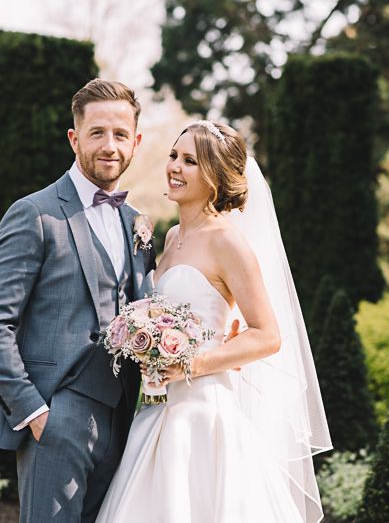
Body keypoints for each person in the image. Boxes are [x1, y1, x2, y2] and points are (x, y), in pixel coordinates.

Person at [97, 120, 331, 523]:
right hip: (155, 413)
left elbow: (268, 335)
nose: (174, 166)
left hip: (204, 418)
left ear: (215, 178)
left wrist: (193, 363)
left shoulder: (227, 241)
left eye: (190, 161)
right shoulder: (170, 238)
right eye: (174, 155)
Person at [0, 79, 157, 522]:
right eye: (97, 133)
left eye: (120, 135)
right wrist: (32, 410)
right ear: (75, 138)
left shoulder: (138, 225)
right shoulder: (34, 213)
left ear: (136, 141)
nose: (110, 146)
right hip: (55, 417)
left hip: (124, 421)